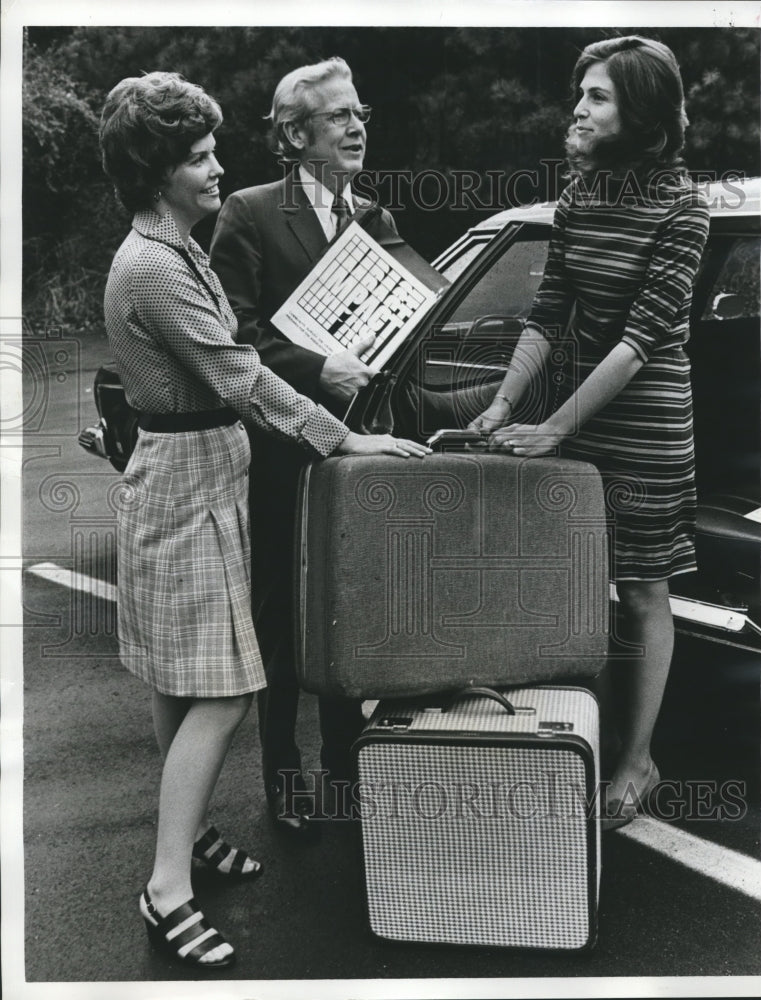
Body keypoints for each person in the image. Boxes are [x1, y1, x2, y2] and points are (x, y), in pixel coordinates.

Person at [99, 70, 429, 971]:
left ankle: (192, 831)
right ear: (156, 172)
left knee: (181, 680)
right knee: (228, 690)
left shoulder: (178, 244)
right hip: (186, 488)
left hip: (201, 478)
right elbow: (240, 374)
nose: (217, 169)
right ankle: (167, 887)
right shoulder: (157, 266)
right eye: (199, 157)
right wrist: (342, 440)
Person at [468, 36, 710, 831]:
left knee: (641, 588)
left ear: (638, 112)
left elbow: (640, 340)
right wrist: (506, 405)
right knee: (575, 587)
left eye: (598, 95)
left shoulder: (682, 208)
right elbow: (549, 313)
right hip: (576, 417)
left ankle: (637, 760)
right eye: (580, 91)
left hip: (643, 423)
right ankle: (581, 738)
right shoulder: (576, 201)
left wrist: (551, 428)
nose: (577, 106)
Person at [210, 57, 399, 840]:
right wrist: (318, 366)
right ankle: (285, 779)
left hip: (358, 454)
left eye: (360, 113)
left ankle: (347, 770)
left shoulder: (378, 218)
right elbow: (233, 340)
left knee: (349, 606)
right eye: (337, 117)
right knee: (281, 619)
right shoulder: (249, 213)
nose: (356, 127)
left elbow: (400, 319)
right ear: (294, 134)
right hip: (279, 450)